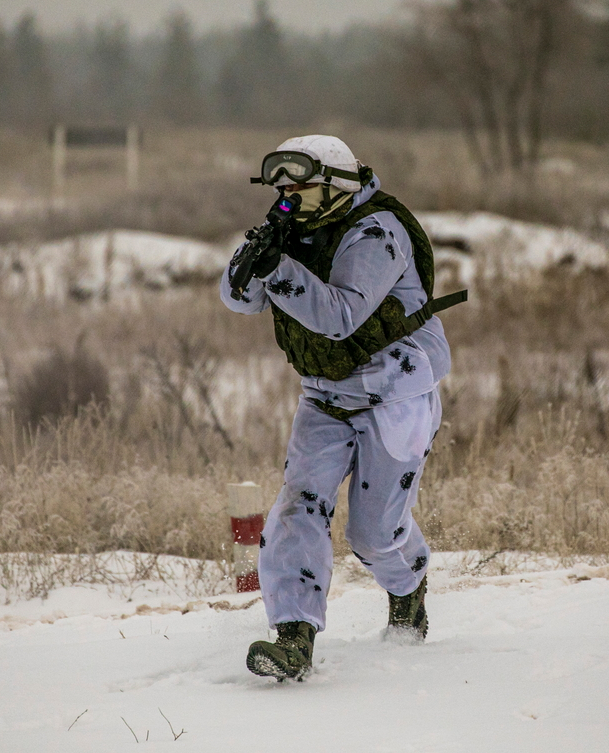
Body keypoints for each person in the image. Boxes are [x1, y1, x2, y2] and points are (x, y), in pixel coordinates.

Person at [220, 134, 464, 681]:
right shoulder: (295, 230)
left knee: (373, 535)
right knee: (297, 505)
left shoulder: (377, 232)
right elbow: (237, 299)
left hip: (396, 394)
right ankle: (293, 635)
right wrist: (251, 262)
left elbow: (338, 315)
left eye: (298, 189)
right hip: (326, 394)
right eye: (280, 189)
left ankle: (409, 585)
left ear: (332, 185)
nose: (288, 199)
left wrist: (278, 269)